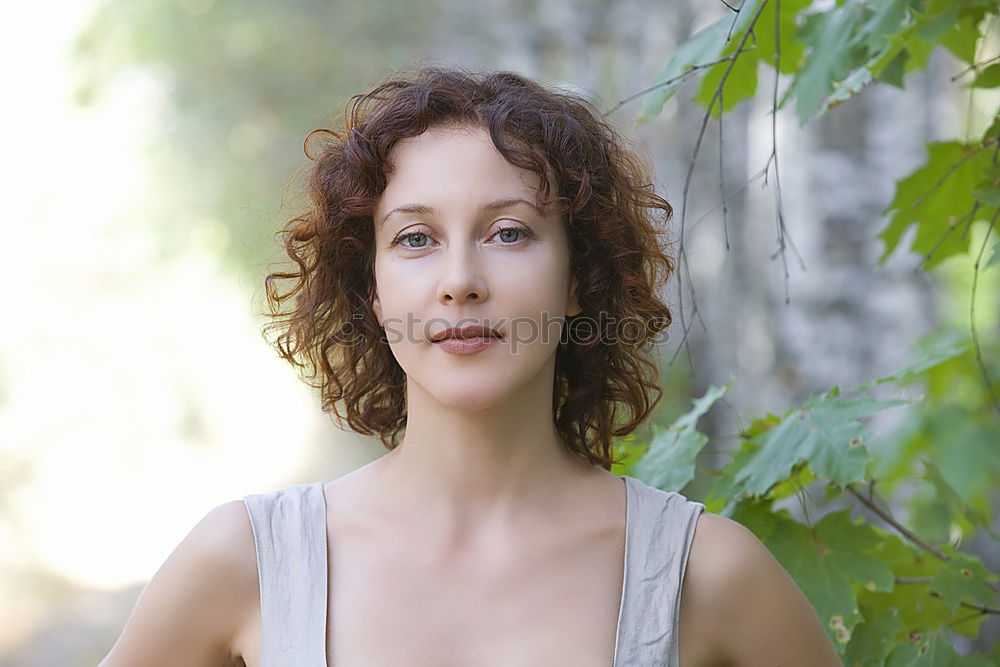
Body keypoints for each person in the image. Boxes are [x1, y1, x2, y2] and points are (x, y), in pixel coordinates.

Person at [100, 66, 842, 667]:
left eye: (509, 232)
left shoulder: (705, 573)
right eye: (416, 238)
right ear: (372, 287)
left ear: (579, 274)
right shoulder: (246, 561)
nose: (460, 279)